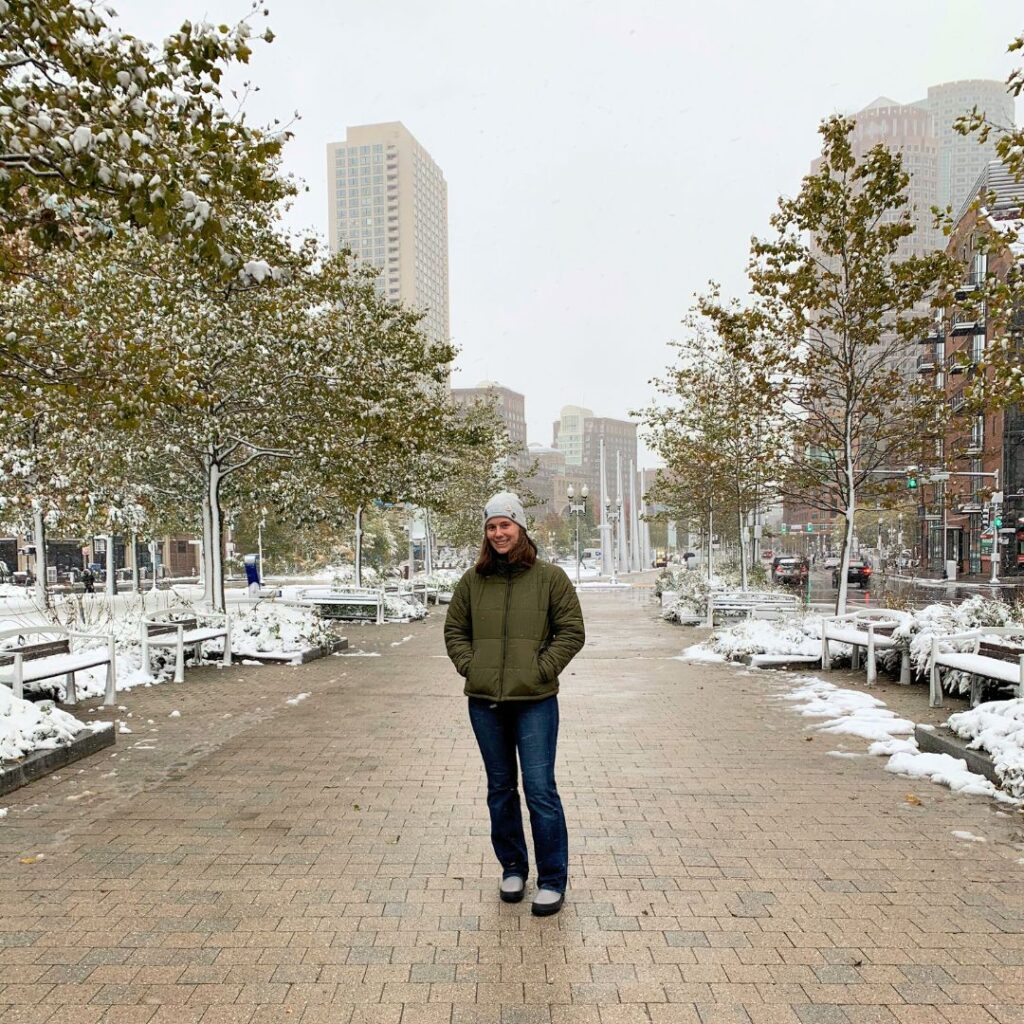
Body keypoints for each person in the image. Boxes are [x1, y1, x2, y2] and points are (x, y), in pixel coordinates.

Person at [444, 492, 585, 916]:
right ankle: (512, 867)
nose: (499, 533)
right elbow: (455, 631)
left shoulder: (549, 578)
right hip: (485, 702)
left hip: (535, 702)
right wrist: (473, 668)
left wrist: (541, 670)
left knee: (540, 790)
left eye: (505, 525)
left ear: (520, 528)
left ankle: (553, 878)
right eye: (491, 526)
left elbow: (572, 632)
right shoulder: (472, 581)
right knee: (500, 789)